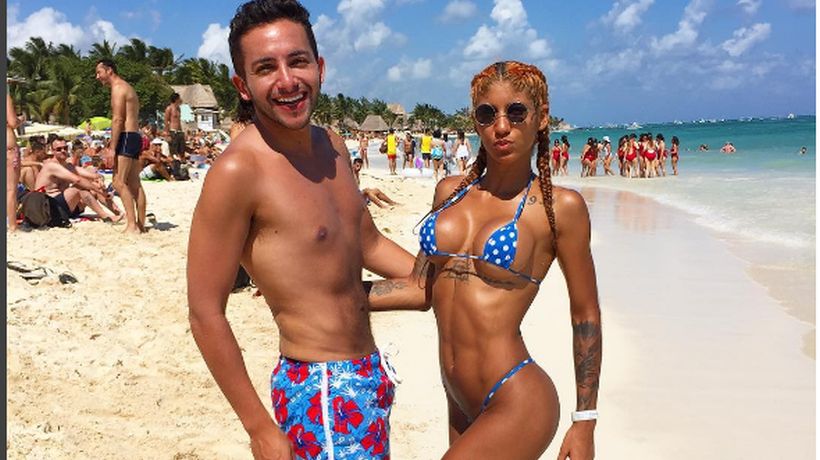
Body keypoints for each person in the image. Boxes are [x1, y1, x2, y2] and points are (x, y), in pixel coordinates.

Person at [186, 2, 414, 459]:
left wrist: (439, 275)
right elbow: (205, 311)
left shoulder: (332, 146)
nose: (287, 81)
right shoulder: (238, 171)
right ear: (243, 85)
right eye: (266, 68)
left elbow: (367, 242)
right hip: (319, 391)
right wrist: (259, 428)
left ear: (319, 67)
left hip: (370, 374)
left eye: (298, 61)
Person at [367, 60, 601, 460]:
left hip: (517, 397)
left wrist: (585, 421)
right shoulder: (449, 193)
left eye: (516, 112)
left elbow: (585, 314)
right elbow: (420, 288)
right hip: (458, 395)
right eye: (487, 113)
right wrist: (331, 296)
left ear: (542, 117)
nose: (501, 126)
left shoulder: (559, 208)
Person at [95, 58, 146, 233]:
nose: (97, 77)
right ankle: (140, 224)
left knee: (118, 182)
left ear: (109, 70)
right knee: (134, 183)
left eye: (99, 72)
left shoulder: (118, 88)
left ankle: (132, 225)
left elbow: (118, 119)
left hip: (126, 136)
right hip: (134, 135)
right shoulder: (127, 87)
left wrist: (112, 148)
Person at [32, 137, 121, 222]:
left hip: (65, 207)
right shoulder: (51, 166)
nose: (63, 151)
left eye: (65, 148)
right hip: (49, 209)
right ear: (52, 151)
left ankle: (118, 212)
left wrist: (100, 181)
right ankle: (106, 217)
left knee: (95, 186)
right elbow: (78, 180)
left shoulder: (68, 166)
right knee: (79, 187)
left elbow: (96, 176)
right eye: (59, 149)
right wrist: (102, 192)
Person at [7, 92, 21, 231]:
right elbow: (12, 122)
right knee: (10, 189)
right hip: (8, 148)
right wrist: (20, 119)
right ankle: (12, 225)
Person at [164, 93, 187, 158]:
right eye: (179, 98)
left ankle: (181, 161)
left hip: (179, 131)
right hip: (172, 131)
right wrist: (167, 134)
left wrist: (182, 132)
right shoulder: (169, 108)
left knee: (182, 150)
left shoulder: (178, 109)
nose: (180, 99)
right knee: (174, 151)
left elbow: (178, 121)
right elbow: (166, 121)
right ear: (176, 99)